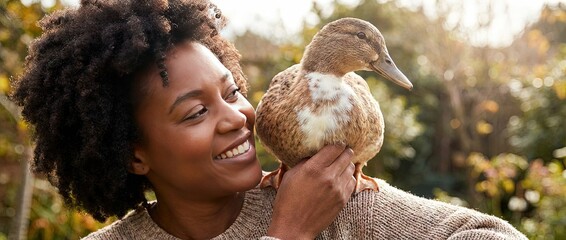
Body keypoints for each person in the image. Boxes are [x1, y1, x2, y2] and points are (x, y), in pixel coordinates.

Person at [11, 0, 527, 239]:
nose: (237, 117)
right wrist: (287, 236)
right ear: (132, 153)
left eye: (232, 91)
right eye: (195, 112)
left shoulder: (337, 203)